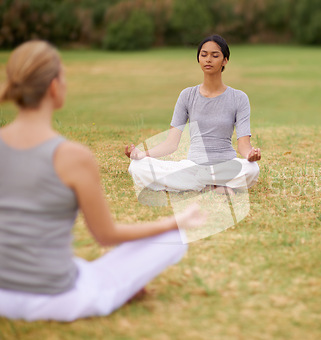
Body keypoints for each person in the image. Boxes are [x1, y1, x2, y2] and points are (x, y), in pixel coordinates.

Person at [0, 40, 206, 322]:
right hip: (57, 299)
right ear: (53, 87)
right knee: (174, 239)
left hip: (3, 296)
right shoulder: (72, 157)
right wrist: (173, 223)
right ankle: (122, 286)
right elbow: (106, 235)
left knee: (77, 265)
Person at [126, 35, 261, 196]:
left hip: (226, 165)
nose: (208, 59)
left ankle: (197, 185)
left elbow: (243, 144)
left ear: (225, 60)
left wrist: (250, 155)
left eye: (215, 55)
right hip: (193, 166)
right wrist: (141, 155)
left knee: (252, 169)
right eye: (203, 55)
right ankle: (215, 185)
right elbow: (171, 143)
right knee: (137, 166)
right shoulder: (187, 95)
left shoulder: (239, 98)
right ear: (198, 58)